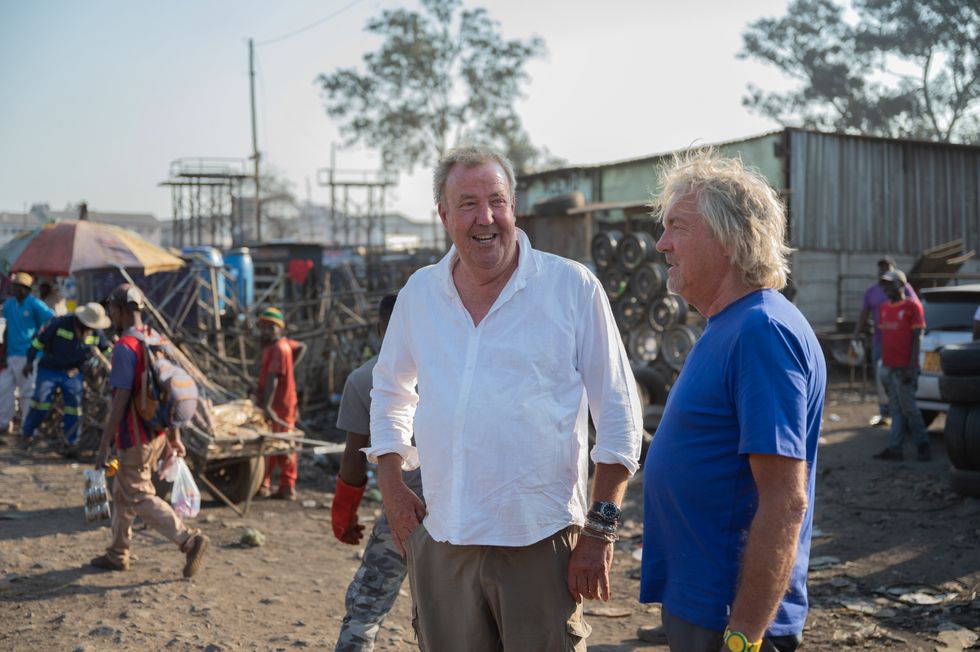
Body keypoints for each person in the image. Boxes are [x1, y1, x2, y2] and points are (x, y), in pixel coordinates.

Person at [365, 145, 643, 650]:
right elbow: (390, 390)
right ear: (444, 216)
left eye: (497, 200)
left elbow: (621, 414)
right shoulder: (419, 294)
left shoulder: (571, 288)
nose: (485, 217)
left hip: (540, 543)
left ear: (514, 207)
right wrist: (390, 480)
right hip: (444, 540)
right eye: (467, 203)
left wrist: (600, 531)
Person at [641, 150, 826, 652]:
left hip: (731, 620)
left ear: (727, 235)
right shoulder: (730, 324)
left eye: (677, 226)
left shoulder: (761, 331)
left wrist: (744, 637)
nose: (661, 244)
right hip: (705, 607)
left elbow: (785, 501)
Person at [91, 283, 209, 577]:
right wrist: (175, 437)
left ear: (117, 311)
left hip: (134, 438)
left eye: (112, 311)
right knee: (122, 492)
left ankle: (189, 540)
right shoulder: (156, 339)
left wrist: (104, 445)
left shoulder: (124, 347)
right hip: (156, 433)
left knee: (138, 495)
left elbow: (120, 400)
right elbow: (170, 389)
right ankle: (118, 553)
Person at [332, 292, 424, 652]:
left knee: (366, 607)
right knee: (451, 607)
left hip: (402, 509)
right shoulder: (450, 367)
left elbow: (354, 460)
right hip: (459, 506)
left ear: (379, 328)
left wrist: (344, 514)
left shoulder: (363, 377)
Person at [20, 303, 112, 450]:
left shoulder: (95, 332)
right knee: (41, 402)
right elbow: (38, 342)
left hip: (73, 372)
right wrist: (29, 362)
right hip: (49, 369)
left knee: (74, 406)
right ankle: (27, 433)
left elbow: (106, 350)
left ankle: (71, 442)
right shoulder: (60, 323)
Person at [872, 271, 931, 462]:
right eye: (885, 286)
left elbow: (916, 339)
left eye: (891, 285)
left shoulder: (912, 307)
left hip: (905, 368)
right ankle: (895, 448)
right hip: (889, 367)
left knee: (910, 408)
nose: (887, 289)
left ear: (902, 285)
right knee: (896, 408)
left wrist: (911, 367)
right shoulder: (885, 308)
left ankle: (923, 445)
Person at [853, 258, 918, 427]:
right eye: (880, 269)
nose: (883, 273)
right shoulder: (873, 292)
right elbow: (864, 313)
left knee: (901, 381)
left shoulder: (906, 292)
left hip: (901, 343)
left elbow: (915, 313)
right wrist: (856, 333)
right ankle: (886, 412)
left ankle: (905, 416)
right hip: (880, 341)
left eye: (887, 269)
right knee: (882, 379)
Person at [255, 307, 307, 501]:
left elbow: (273, 379)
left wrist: (267, 406)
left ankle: (285, 485)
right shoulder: (283, 345)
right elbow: (302, 346)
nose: (266, 331)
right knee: (274, 442)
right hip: (283, 401)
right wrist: (290, 369)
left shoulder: (278, 348)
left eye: (271, 327)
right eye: (263, 327)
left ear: (280, 329)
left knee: (280, 443)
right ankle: (266, 483)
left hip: (279, 404)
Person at [0, 272, 55, 435]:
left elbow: (51, 321)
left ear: (26, 289)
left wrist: (39, 342)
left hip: (29, 355)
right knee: (4, 389)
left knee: (27, 392)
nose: (14, 289)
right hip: (11, 354)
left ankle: (28, 427)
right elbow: (7, 328)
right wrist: (3, 354)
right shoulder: (10, 305)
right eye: (13, 286)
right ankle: (4, 423)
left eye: (18, 287)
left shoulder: (35, 304)